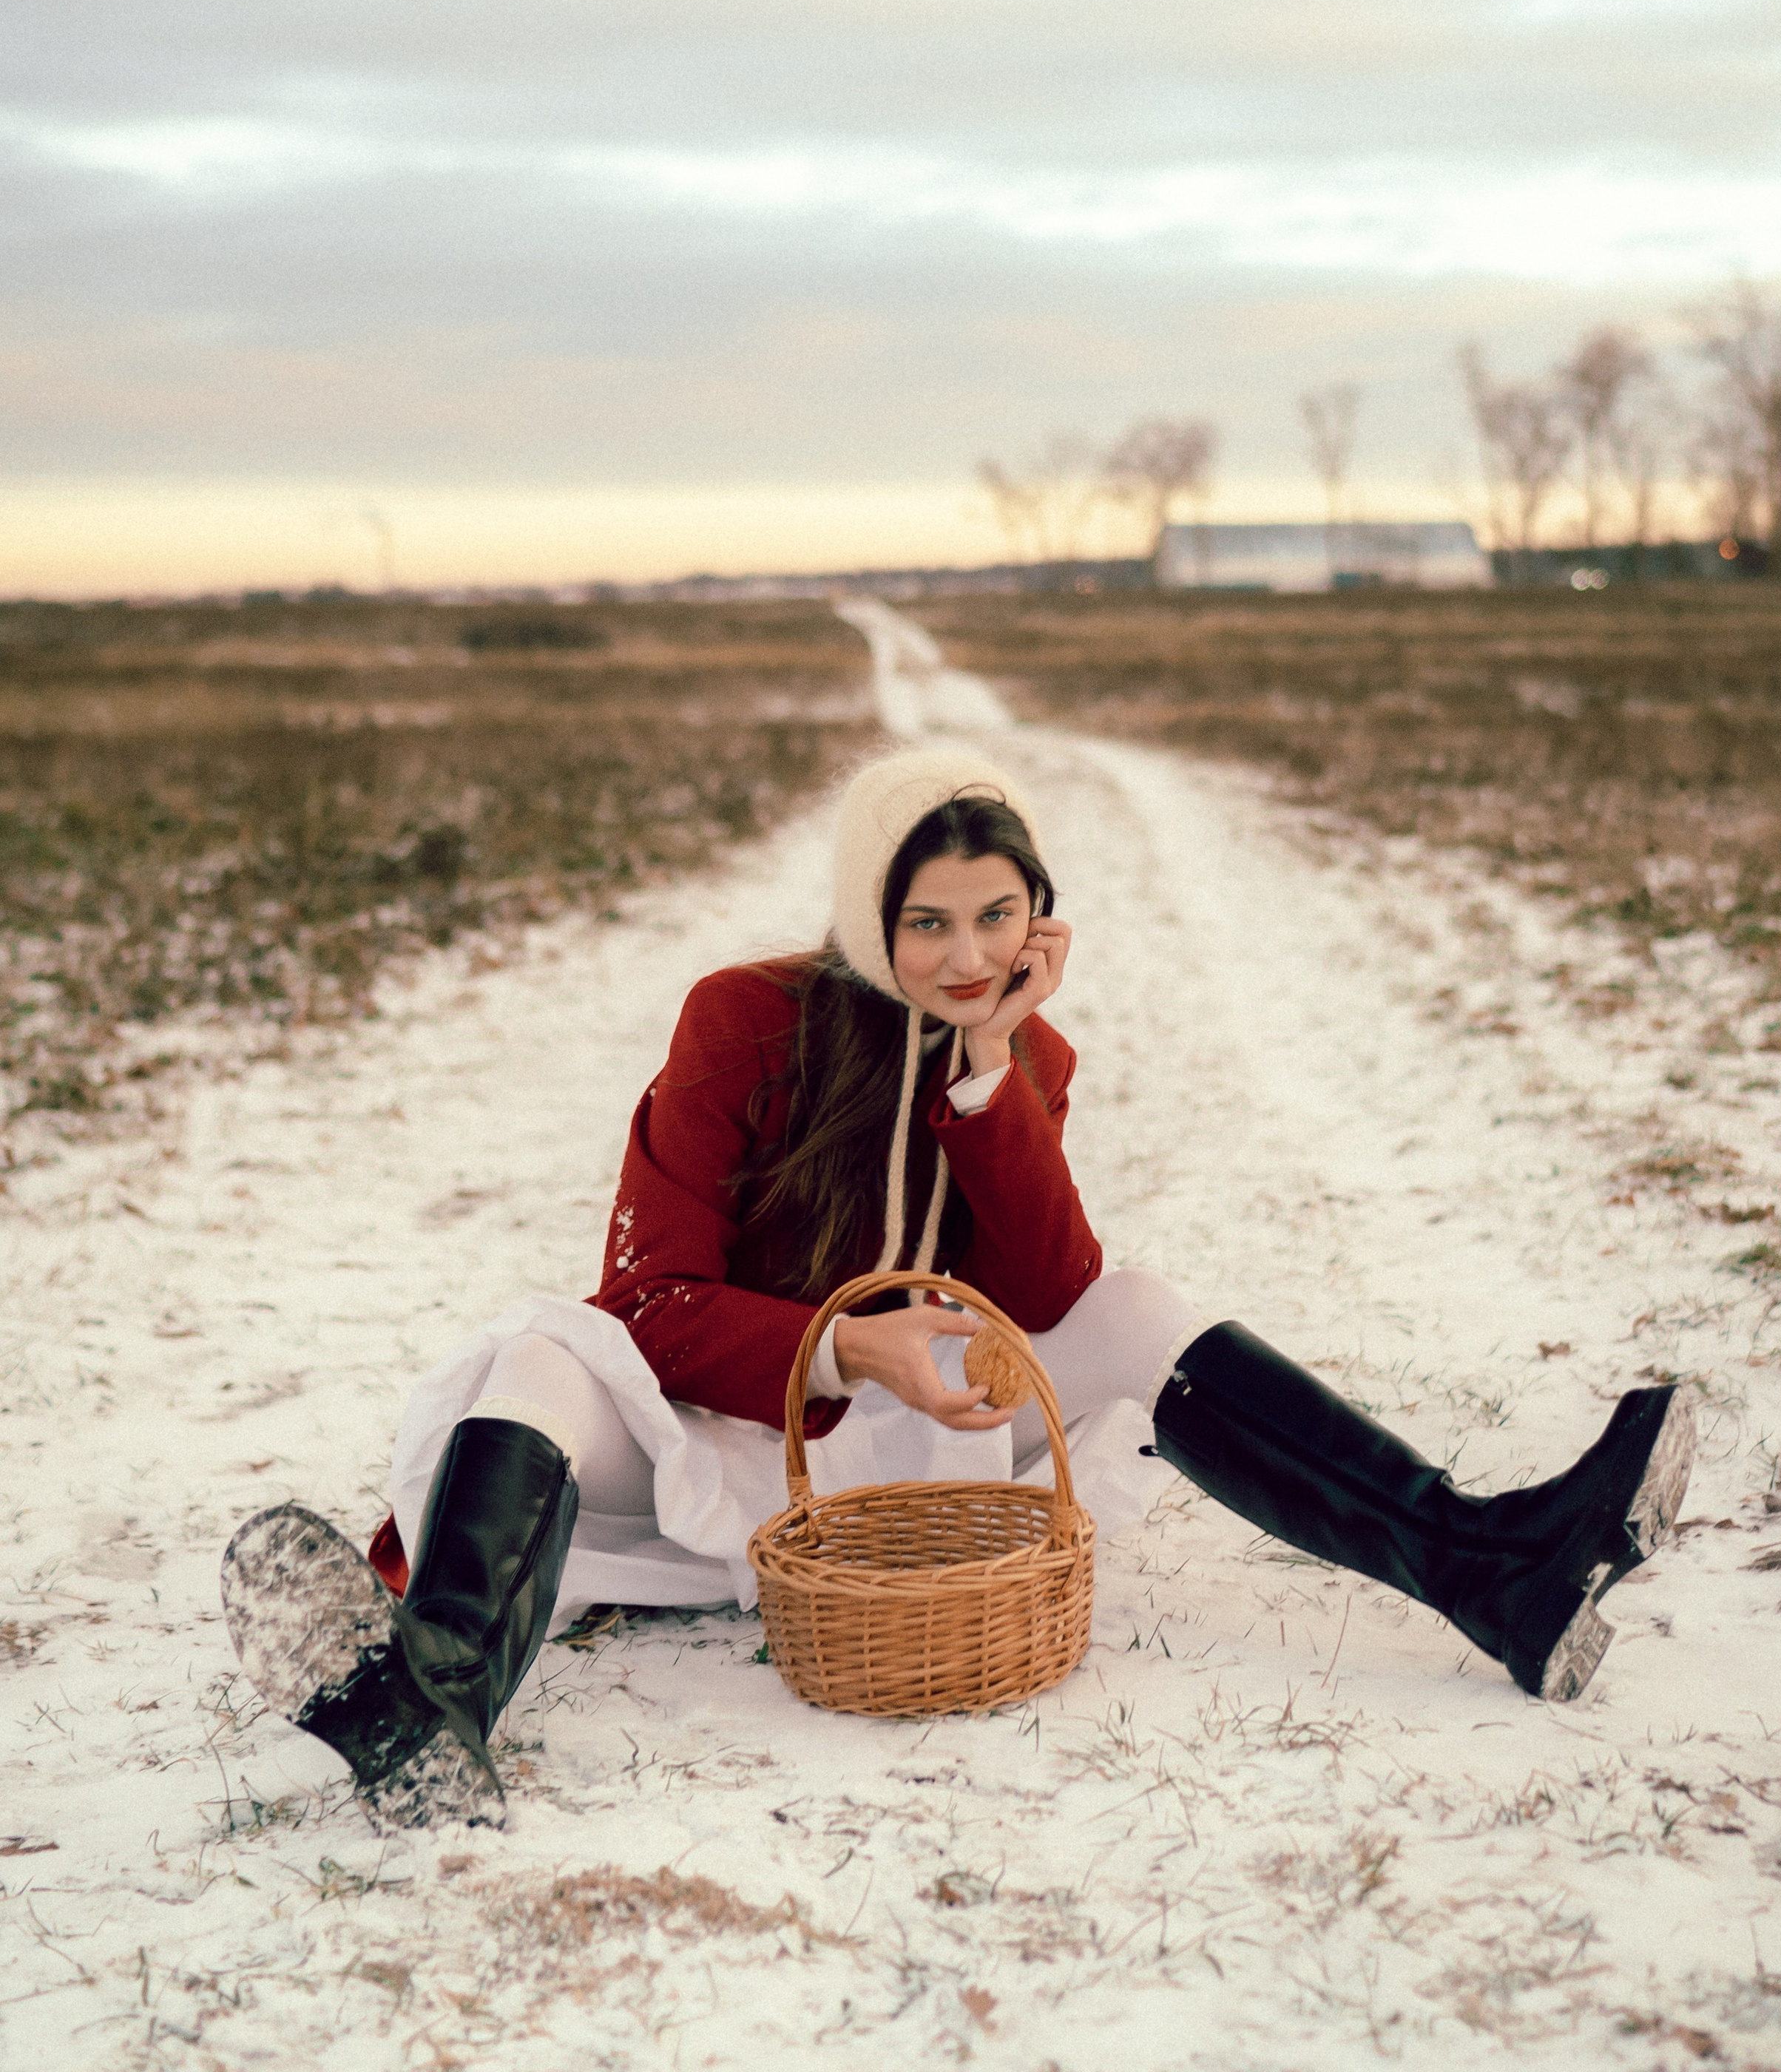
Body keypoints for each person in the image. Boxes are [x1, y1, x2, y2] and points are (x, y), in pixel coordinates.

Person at [223, 745, 1697, 1830]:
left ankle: (1488, 1566)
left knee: (1134, 1306)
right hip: (715, 1438)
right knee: (540, 1352)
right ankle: (443, 1691)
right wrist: (848, 1351)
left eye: (999, 917)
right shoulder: (740, 1022)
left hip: (905, 1469)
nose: (964, 954)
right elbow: (649, 1305)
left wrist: (993, 1075)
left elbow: (1054, 1287)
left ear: (1037, 915)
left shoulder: (1024, 1052)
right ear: (871, 916)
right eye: (926, 922)